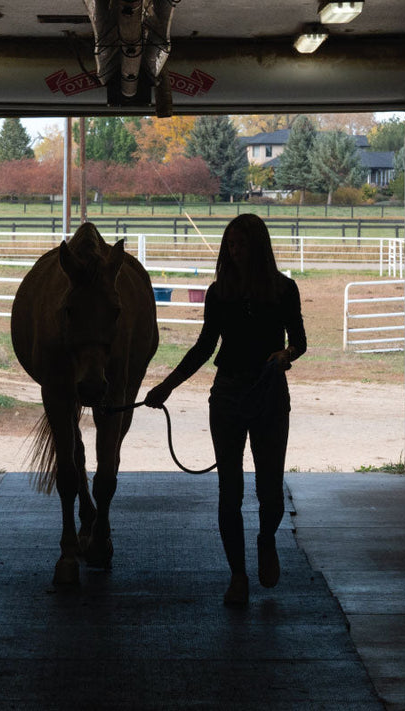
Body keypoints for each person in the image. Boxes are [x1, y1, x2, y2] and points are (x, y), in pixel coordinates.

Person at [143, 213, 307, 607]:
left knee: (270, 490)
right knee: (228, 491)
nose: (235, 251)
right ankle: (237, 575)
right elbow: (205, 347)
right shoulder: (219, 294)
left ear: (258, 247)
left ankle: (266, 540)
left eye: (243, 244)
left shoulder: (284, 290)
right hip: (228, 397)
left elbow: (299, 342)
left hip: (269, 395)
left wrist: (284, 356)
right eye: (231, 244)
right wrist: (167, 386)